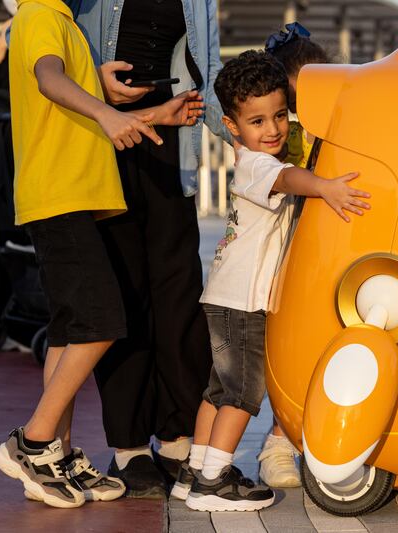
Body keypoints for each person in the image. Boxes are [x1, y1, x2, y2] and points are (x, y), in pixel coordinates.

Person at [0, 0, 202, 508]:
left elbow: (73, 115)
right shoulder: (40, 16)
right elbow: (48, 80)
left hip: (74, 196)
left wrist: (153, 113)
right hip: (60, 196)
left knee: (68, 330)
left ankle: (55, 457)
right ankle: (34, 441)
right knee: (103, 320)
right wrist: (107, 109)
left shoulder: (65, 24)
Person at [173, 50, 370, 512]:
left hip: (223, 297)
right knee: (243, 394)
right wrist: (326, 187)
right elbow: (288, 178)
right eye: (258, 121)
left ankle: (196, 468)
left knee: (217, 390)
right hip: (243, 303)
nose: (274, 129)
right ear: (233, 126)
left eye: (280, 115)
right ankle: (215, 480)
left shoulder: (255, 155)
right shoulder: (255, 163)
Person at [72, 0, 232, 498]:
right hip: (104, 139)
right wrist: (92, 78)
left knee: (180, 294)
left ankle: (178, 439)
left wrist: (259, 137)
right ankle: (130, 448)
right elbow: (33, 38)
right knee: (125, 297)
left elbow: (207, 73)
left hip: (171, 138)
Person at [253, 22, 331, 488]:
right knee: (279, 353)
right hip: (277, 253)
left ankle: (299, 439)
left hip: (324, 252)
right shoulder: (267, 137)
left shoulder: (342, 124)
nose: (299, 117)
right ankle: (279, 442)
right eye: (292, 106)